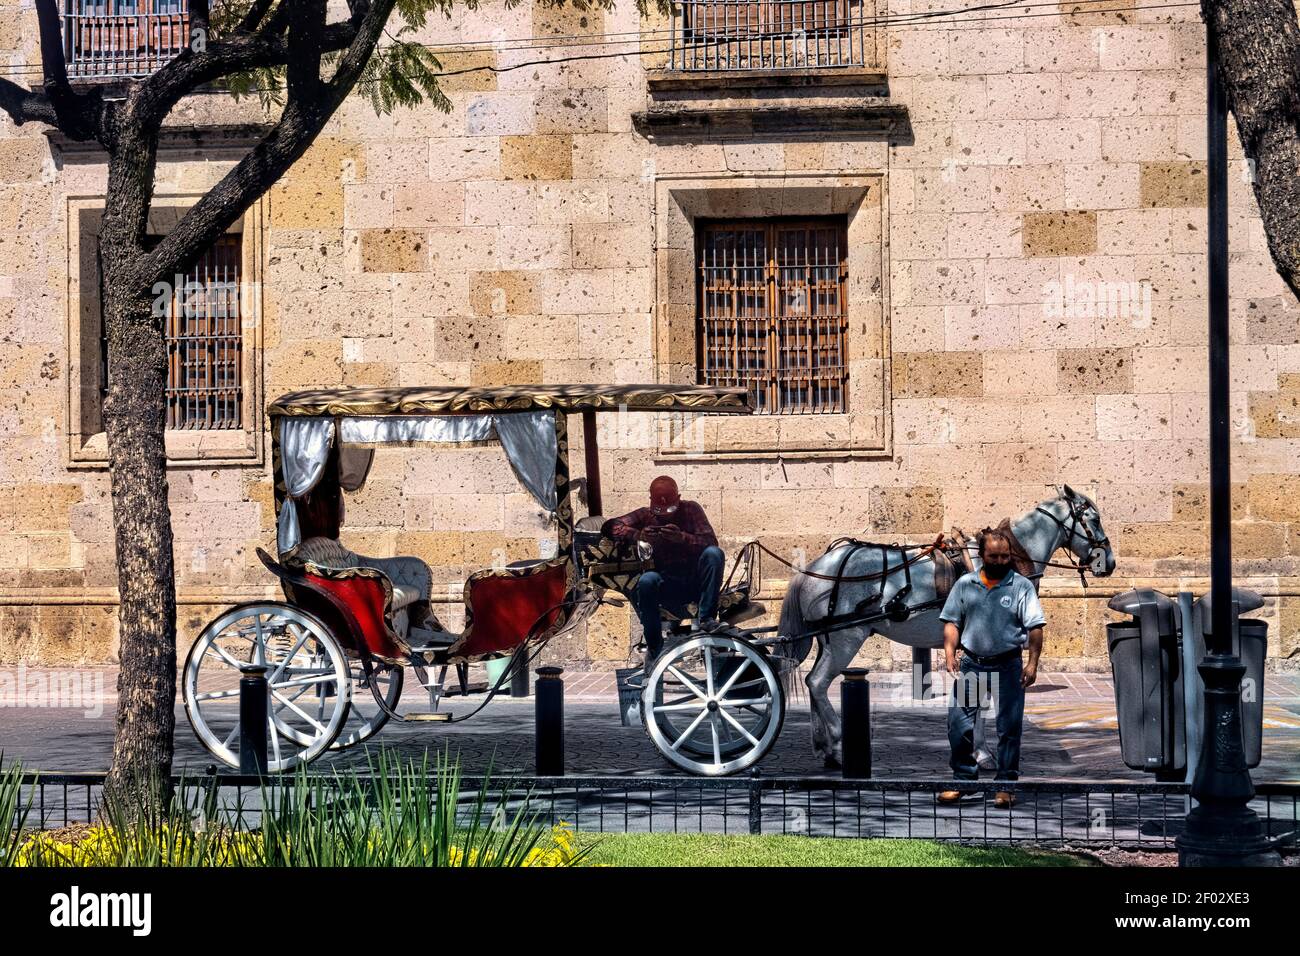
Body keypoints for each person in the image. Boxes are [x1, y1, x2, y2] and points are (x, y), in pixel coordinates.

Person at [936, 527, 1046, 809]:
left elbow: (1035, 627)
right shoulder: (965, 584)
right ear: (982, 555)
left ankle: (1005, 785)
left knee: (1008, 729)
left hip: (1008, 665)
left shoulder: (1020, 586)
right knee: (958, 725)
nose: (999, 561)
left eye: (1004, 556)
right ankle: (963, 780)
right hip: (973, 664)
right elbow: (952, 621)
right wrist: (950, 652)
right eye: (993, 556)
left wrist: (1032, 663)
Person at [602, 476, 725, 669]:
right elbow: (610, 526)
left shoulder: (691, 509)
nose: (665, 516)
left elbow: (710, 542)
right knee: (646, 581)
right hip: (666, 582)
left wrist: (681, 538)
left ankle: (707, 619)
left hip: (695, 581)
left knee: (714, 554)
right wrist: (638, 535)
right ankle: (654, 643)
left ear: (679, 498)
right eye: (660, 512)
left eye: (669, 511)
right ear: (651, 502)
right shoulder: (644, 515)